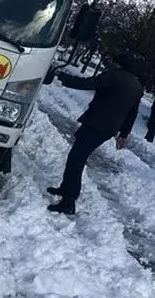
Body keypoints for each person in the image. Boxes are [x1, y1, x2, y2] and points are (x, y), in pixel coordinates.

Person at [44, 52, 144, 214]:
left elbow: (88, 84)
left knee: (76, 159)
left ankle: (69, 201)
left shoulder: (114, 76)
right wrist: (123, 135)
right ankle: (65, 188)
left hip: (96, 123)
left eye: (112, 61)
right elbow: (132, 113)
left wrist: (60, 75)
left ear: (117, 63)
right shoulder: (137, 86)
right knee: (77, 157)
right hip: (108, 128)